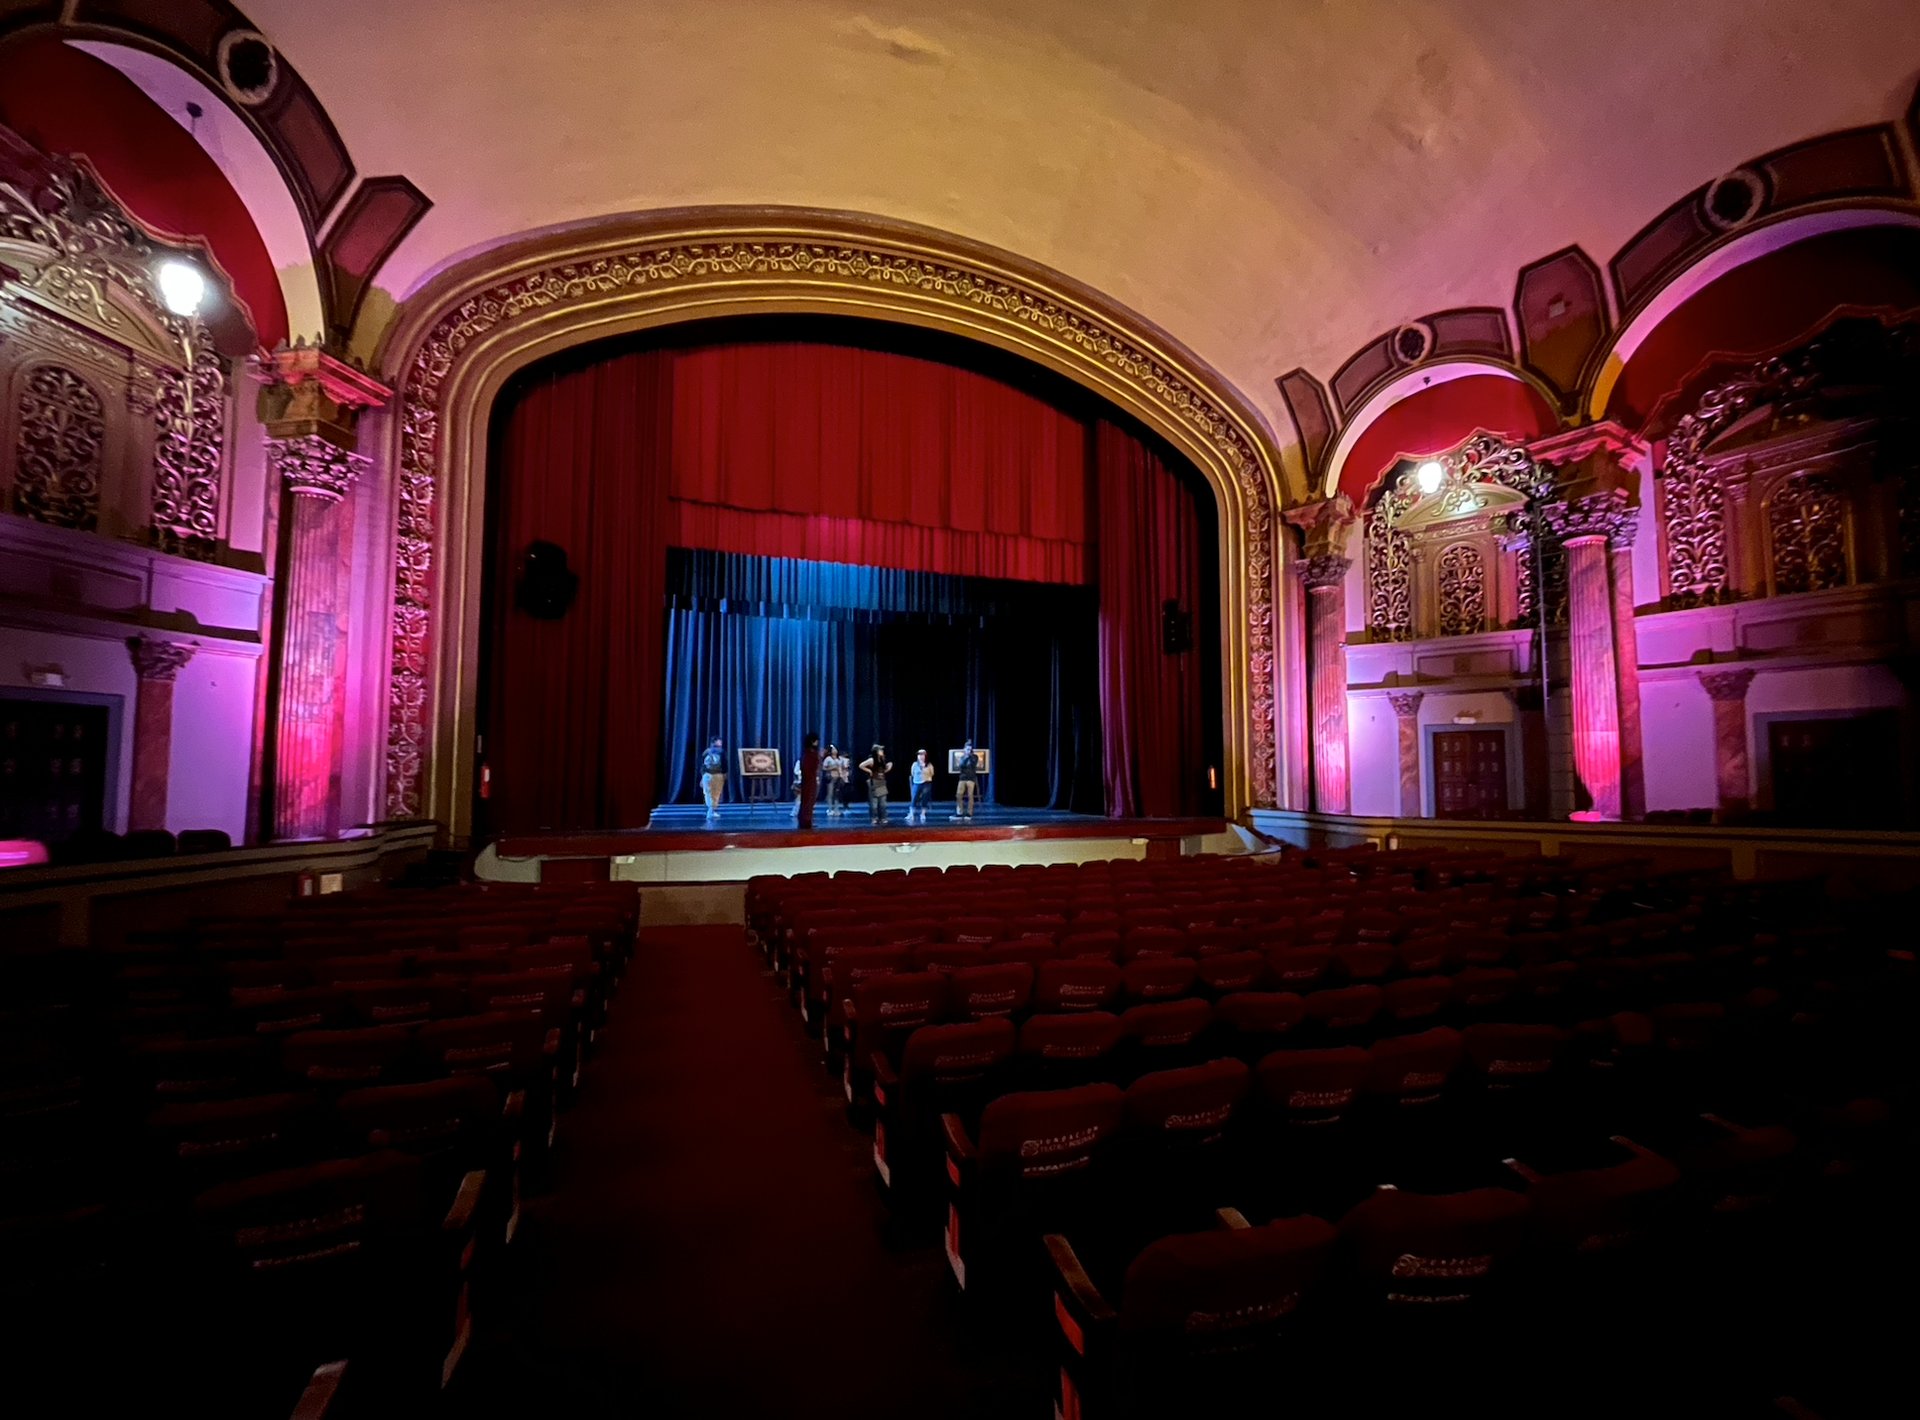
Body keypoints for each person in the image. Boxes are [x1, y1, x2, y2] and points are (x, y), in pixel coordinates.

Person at [858, 743, 892, 826]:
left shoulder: (882, 759)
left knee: (883, 802)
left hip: (882, 781)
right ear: (876, 751)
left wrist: (888, 767)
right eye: (880, 750)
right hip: (874, 781)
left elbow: (884, 770)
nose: (882, 751)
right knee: (874, 802)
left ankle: (883, 818)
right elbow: (861, 765)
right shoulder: (872, 760)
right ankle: (874, 818)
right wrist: (869, 771)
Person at [796, 732, 822, 829]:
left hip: (809, 780)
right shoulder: (810, 754)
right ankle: (806, 821)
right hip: (809, 780)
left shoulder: (808, 754)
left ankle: (807, 820)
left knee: (808, 801)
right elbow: (810, 768)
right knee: (808, 800)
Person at [699, 735, 727, 823]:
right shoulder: (719, 752)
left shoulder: (707, 752)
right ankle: (711, 810)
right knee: (712, 793)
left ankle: (712, 810)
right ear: (714, 742)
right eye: (719, 741)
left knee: (713, 793)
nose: (721, 743)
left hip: (713, 775)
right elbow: (724, 764)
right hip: (713, 774)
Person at [908, 748, 937, 826]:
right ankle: (911, 814)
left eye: (922, 755)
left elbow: (932, 773)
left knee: (925, 798)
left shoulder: (929, 764)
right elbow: (912, 773)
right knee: (914, 798)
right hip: (917, 783)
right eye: (919, 755)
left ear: (925, 756)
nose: (921, 756)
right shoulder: (914, 764)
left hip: (926, 783)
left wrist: (925, 774)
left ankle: (923, 814)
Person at [952, 740, 979, 821]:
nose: (968, 751)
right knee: (958, 795)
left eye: (970, 749)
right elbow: (961, 766)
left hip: (971, 778)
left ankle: (969, 813)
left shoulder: (975, 757)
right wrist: (966, 757)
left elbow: (974, 764)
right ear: (964, 749)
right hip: (962, 778)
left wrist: (970, 756)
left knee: (970, 795)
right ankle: (959, 812)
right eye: (967, 749)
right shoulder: (962, 757)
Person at [821, 743, 849, 817]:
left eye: (835, 749)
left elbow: (844, 767)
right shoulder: (828, 759)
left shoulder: (840, 758)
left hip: (839, 777)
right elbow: (823, 768)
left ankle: (837, 809)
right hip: (831, 777)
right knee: (830, 794)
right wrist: (832, 768)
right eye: (833, 749)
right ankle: (830, 809)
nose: (835, 750)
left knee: (837, 794)